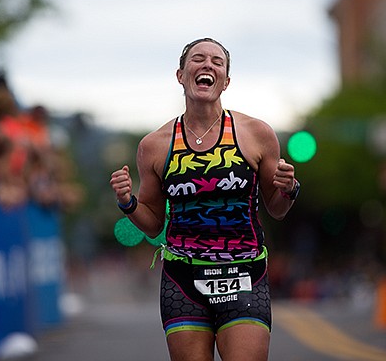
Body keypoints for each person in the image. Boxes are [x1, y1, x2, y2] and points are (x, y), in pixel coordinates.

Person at [109, 38, 300, 361]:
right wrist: (128, 202)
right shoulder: (155, 145)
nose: (207, 65)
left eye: (217, 61)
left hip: (243, 273)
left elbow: (277, 209)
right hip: (183, 280)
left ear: (226, 81)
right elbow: (154, 224)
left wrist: (288, 189)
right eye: (198, 59)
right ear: (181, 75)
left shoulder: (256, 133)